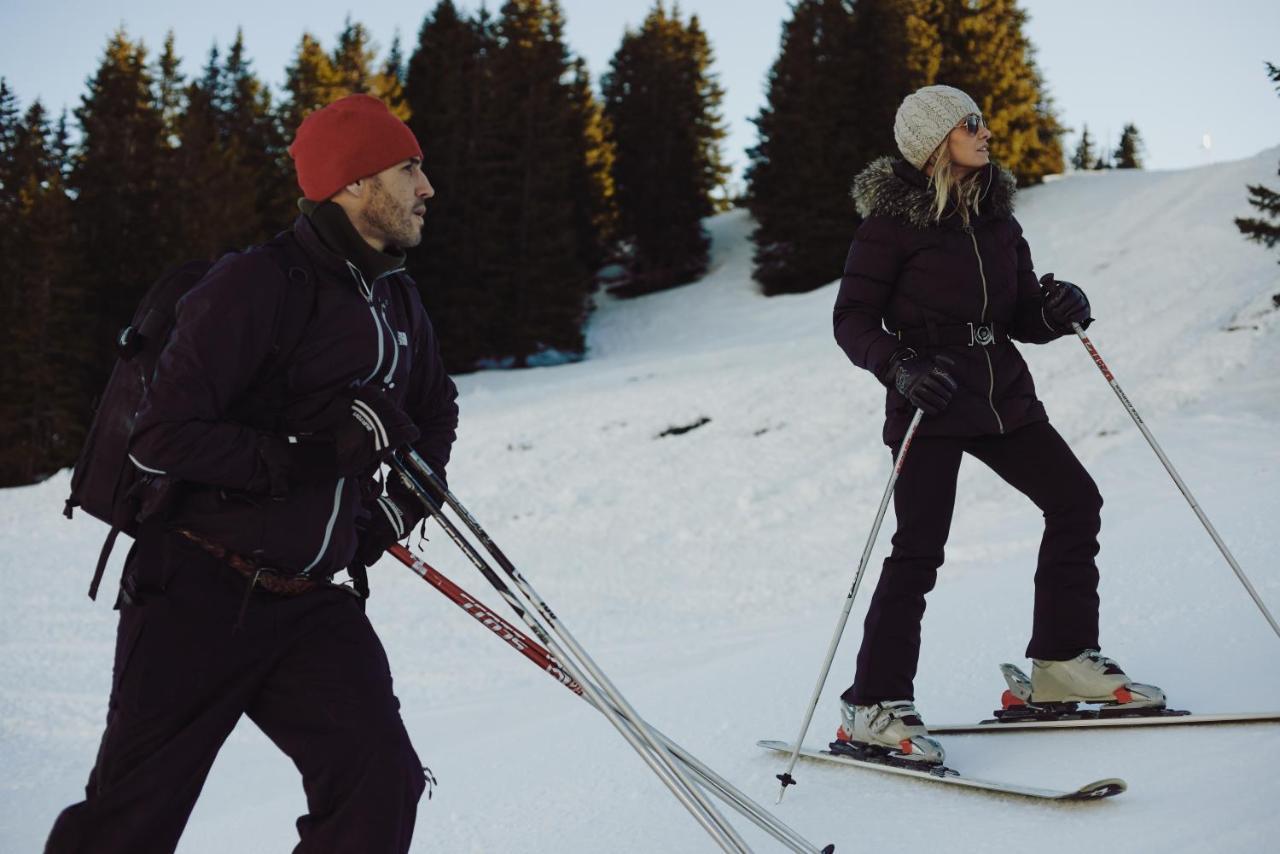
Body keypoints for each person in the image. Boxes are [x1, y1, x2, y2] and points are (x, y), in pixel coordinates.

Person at [46, 94, 458, 853]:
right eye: (409, 169)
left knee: (378, 785)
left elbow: (436, 410)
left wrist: (391, 512)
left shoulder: (397, 299)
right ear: (354, 182)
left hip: (310, 605)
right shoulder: (257, 285)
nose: (427, 188)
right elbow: (161, 435)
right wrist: (310, 453)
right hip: (195, 593)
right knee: (128, 824)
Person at [830, 85, 1164, 765]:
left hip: (1000, 397)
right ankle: (872, 704)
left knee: (1076, 502)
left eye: (981, 120)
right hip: (930, 400)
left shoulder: (997, 219)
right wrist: (898, 366)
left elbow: (1018, 317)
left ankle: (1061, 660)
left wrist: (1058, 309)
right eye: (970, 123)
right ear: (934, 141)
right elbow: (852, 321)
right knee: (918, 550)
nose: (986, 132)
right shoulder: (891, 224)